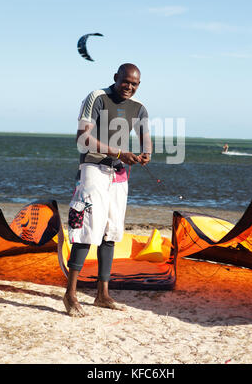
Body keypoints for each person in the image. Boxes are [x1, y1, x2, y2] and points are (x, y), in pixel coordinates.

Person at [63, 63, 152, 316]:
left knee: (110, 231)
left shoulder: (139, 108)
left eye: (134, 84)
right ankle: (70, 294)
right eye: (126, 82)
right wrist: (119, 152)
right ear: (116, 78)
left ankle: (102, 294)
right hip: (93, 169)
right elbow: (82, 138)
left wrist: (146, 154)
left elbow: (146, 137)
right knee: (86, 228)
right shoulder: (97, 98)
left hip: (120, 174)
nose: (130, 87)